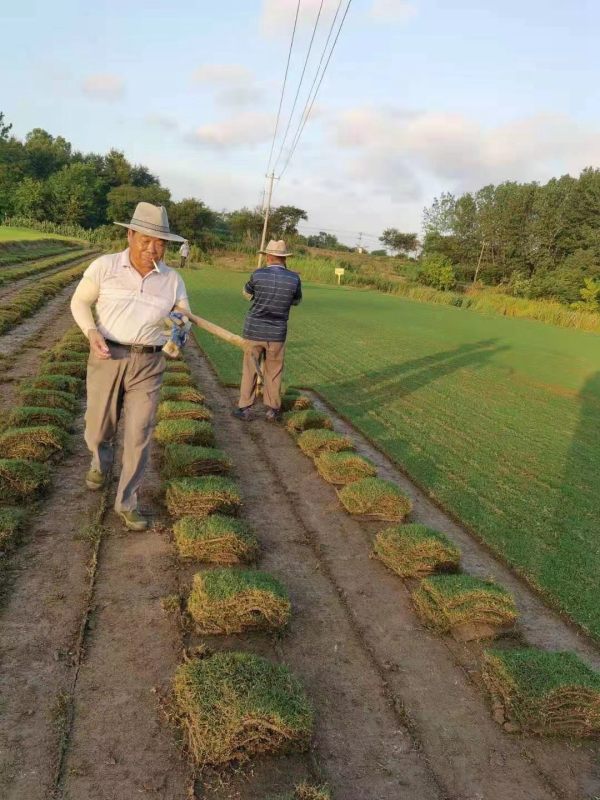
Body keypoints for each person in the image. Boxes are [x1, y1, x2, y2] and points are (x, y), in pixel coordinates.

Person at [70, 202, 190, 531]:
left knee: (139, 433)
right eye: (146, 240)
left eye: (161, 242)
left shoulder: (172, 280)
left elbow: (181, 322)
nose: (153, 248)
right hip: (108, 355)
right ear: (130, 234)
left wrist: (177, 333)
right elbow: (79, 302)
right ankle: (100, 457)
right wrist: (91, 331)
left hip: (148, 363)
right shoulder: (105, 266)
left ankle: (127, 501)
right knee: (97, 428)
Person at [233, 239, 302, 422]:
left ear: (268, 257)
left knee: (250, 370)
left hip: (254, 330)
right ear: (284, 258)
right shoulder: (294, 278)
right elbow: (296, 301)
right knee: (274, 371)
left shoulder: (257, 274)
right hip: (277, 333)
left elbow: (247, 294)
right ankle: (272, 409)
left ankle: (245, 407)